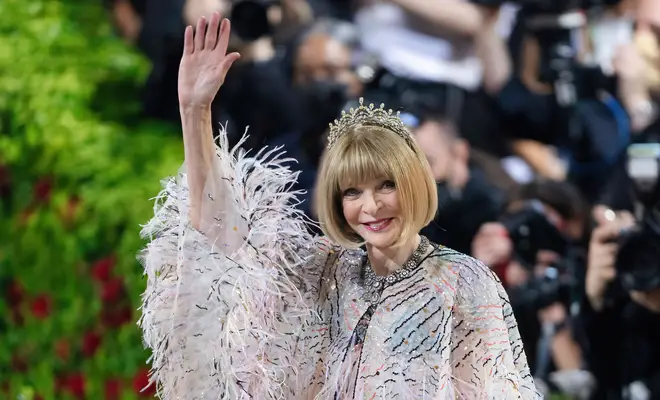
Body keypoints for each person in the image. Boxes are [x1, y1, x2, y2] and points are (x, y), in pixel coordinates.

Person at [138, 13, 541, 399]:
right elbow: (224, 233)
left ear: (417, 183)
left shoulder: (466, 281)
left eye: (387, 185)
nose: (371, 206)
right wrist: (195, 113)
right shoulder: (328, 273)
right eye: (352, 192)